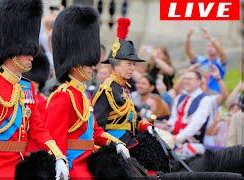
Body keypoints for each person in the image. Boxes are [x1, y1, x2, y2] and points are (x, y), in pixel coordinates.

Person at [0, 0, 68, 179]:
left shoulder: (27, 87)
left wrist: (58, 156)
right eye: (27, 51)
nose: (32, 55)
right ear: (13, 51)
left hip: (20, 165)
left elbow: (37, 129)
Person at [44, 6, 130, 178]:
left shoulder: (84, 94)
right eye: (89, 64)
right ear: (75, 64)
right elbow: (55, 138)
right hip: (73, 165)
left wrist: (115, 143)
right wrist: (60, 162)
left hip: (89, 160)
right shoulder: (62, 96)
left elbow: (95, 131)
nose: (93, 68)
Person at [93, 17, 169, 174]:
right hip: (117, 143)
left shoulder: (124, 87)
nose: (132, 68)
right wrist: (115, 143)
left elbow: (129, 117)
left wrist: (143, 124)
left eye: (134, 64)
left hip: (129, 137)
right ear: (115, 64)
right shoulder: (107, 89)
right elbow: (98, 126)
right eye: (128, 64)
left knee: (161, 152)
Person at [167, 71, 216, 158]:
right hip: (173, 139)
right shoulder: (179, 98)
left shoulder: (205, 100)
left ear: (198, 81)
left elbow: (196, 124)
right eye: (184, 78)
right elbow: (173, 118)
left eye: (189, 79)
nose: (186, 81)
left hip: (193, 143)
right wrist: (167, 130)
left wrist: (177, 138)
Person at [185, 27, 227, 93]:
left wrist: (209, 38)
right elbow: (188, 52)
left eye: (213, 46)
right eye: (209, 46)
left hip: (214, 92)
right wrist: (188, 38)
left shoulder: (220, 62)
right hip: (200, 91)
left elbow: (222, 53)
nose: (210, 48)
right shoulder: (201, 60)